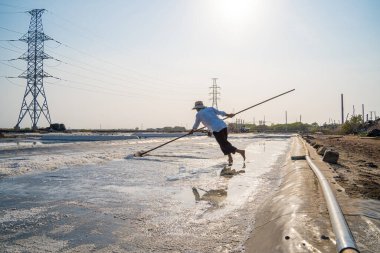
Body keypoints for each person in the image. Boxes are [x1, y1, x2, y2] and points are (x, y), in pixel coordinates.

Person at [189, 101, 245, 165]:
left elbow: (196, 124)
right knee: (224, 143)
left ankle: (240, 151)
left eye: (196, 109)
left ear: (198, 108)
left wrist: (192, 130)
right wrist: (229, 115)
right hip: (223, 126)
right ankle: (230, 158)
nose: (196, 110)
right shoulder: (210, 108)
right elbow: (219, 113)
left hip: (217, 129)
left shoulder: (198, 114)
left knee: (224, 144)